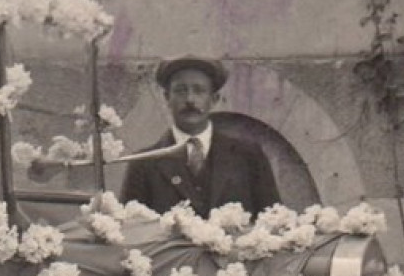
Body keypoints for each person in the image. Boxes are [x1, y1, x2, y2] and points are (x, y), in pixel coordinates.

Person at [118, 56, 281, 216]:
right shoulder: (144, 164)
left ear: (214, 99)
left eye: (199, 91)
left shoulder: (248, 156)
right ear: (167, 98)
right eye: (181, 91)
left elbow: (274, 221)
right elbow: (130, 232)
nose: (190, 100)